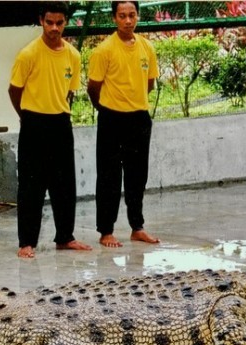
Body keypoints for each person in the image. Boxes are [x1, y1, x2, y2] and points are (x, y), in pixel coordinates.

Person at [8, 1, 91, 259]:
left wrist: (57, 111)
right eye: (49, 22)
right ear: (41, 21)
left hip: (61, 123)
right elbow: (14, 90)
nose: (54, 28)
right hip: (33, 123)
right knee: (31, 185)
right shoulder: (28, 54)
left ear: (65, 22)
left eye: (59, 23)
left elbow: (69, 92)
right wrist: (26, 116)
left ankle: (65, 237)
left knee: (64, 184)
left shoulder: (73, 55)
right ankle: (26, 242)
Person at [87, 1, 160, 248]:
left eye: (132, 15)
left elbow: (149, 83)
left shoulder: (147, 47)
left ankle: (137, 227)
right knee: (109, 176)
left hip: (139, 118)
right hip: (111, 119)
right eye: (122, 16)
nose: (128, 21)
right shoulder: (104, 50)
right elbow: (93, 88)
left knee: (137, 176)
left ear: (137, 16)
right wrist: (107, 109)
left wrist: (134, 103)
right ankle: (106, 231)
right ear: (114, 18)